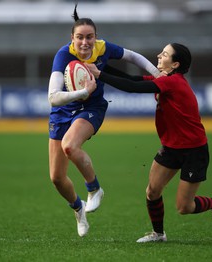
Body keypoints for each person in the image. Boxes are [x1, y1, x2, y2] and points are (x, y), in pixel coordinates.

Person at [86, 43, 212, 242]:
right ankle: (158, 234)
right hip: (171, 147)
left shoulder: (174, 82)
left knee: (184, 207)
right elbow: (133, 78)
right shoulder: (165, 79)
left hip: (194, 150)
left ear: (175, 64)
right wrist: (99, 65)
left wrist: (100, 74)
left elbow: (133, 87)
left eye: (164, 54)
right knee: (152, 191)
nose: (158, 56)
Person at [48, 4, 160, 237]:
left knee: (70, 145)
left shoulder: (103, 48)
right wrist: (82, 91)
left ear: (96, 37)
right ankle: (78, 210)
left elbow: (134, 56)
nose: (85, 42)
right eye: (79, 37)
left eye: (89, 37)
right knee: (57, 178)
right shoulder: (63, 55)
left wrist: (159, 77)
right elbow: (53, 98)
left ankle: (94, 189)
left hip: (92, 108)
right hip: (63, 110)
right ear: (72, 38)